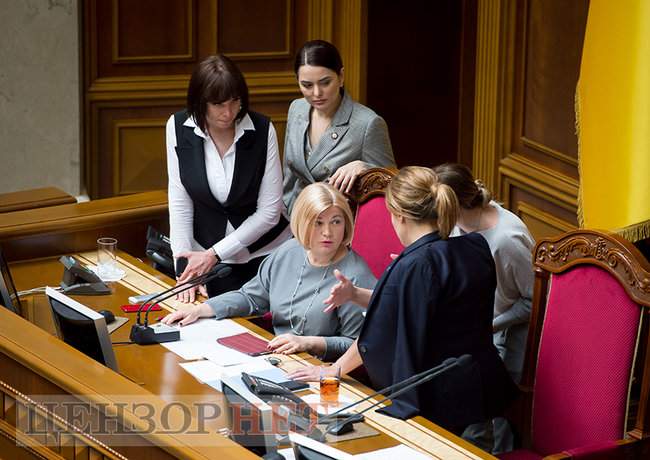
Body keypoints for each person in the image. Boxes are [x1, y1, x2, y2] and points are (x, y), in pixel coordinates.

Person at [289, 166, 517, 433]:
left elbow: (377, 338)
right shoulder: (475, 246)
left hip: (437, 408)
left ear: (399, 216)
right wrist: (358, 293)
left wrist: (333, 370)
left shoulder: (414, 265)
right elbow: (407, 307)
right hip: (483, 391)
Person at [161, 183, 376, 361]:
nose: (327, 232)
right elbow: (251, 296)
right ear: (302, 222)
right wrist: (202, 309)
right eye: (318, 223)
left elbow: (359, 344)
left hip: (320, 370)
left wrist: (307, 342)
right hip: (275, 357)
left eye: (336, 222)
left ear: (346, 224)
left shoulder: (355, 276)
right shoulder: (289, 252)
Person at [166, 54, 292, 302]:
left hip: (264, 254)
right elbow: (180, 199)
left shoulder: (262, 130)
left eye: (235, 102)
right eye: (218, 104)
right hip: (204, 260)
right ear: (200, 102)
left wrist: (214, 253)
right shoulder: (178, 127)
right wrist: (184, 266)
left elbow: (269, 212)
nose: (229, 112)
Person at [434, 163, 534, 454]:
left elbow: (533, 300)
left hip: (507, 338)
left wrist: (490, 325)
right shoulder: (456, 223)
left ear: (456, 203)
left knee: (495, 422)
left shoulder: (507, 239)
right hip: (471, 328)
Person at [283, 39, 395, 213]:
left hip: (340, 227)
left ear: (341, 77)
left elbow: (392, 183)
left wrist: (364, 167)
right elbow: (289, 176)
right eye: (307, 85)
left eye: (325, 82)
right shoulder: (296, 108)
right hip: (297, 219)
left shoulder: (368, 123)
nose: (316, 93)